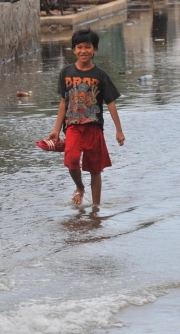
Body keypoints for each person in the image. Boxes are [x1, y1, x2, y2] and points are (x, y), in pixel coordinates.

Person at [46, 29, 125, 206]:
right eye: (79, 47)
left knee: (95, 169)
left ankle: (96, 210)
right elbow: (63, 103)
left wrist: (119, 131)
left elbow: (111, 103)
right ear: (74, 50)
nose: (83, 51)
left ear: (95, 50)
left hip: (94, 127)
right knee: (72, 161)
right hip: (73, 126)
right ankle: (80, 187)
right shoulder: (66, 72)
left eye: (88, 47)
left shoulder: (100, 75)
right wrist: (56, 130)